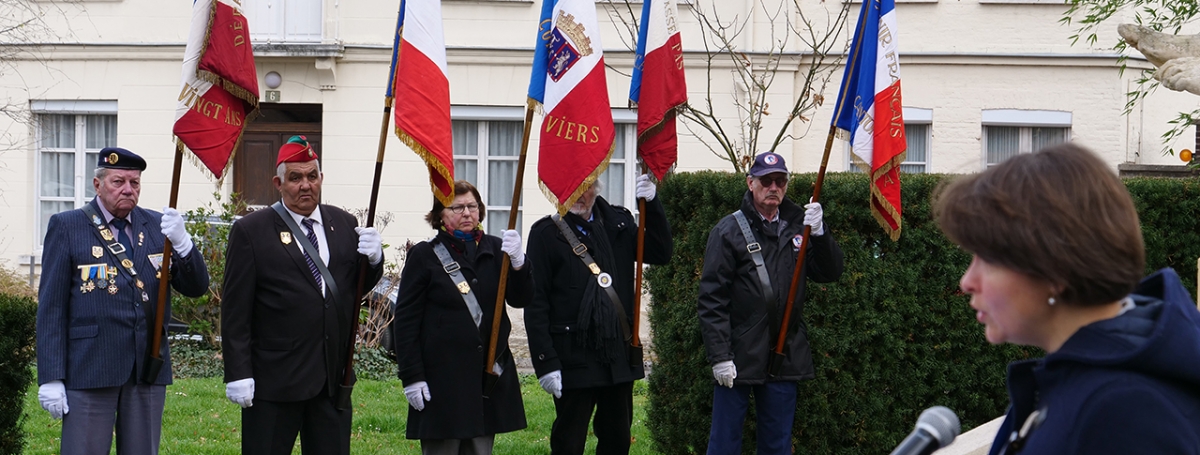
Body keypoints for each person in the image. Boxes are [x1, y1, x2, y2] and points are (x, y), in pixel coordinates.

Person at [933, 143, 1200, 454]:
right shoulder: (1078, 380)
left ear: (1054, 268)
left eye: (988, 259)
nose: (967, 282)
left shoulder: (1123, 413)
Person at [35, 147, 210, 455]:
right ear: (97, 184)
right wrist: (51, 377)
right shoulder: (68, 227)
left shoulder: (157, 227)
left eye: (135, 182)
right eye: (119, 182)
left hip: (147, 366)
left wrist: (184, 244)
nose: (128, 189)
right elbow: (51, 308)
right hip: (89, 367)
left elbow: (196, 288)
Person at [220, 135, 384, 455]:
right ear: (278, 183)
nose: (305, 185)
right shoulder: (252, 231)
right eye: (295, 178)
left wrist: (375, 261)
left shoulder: (343, 223)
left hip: (331, 380)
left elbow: (350, 290)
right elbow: (236, 311)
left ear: (321, 178)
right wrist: (238, 373)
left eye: (312, 176)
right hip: (274, 383)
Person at [696, 151, 844, 455]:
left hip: (784, 352)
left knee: (777, 446)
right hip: (738, 354)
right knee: (724, 444)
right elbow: (712, 299)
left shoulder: (799, 226)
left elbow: (829, 273)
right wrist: (720, 355)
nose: (773, 187)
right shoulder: (728, 230)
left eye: (780, 181)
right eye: (766, 180)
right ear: (751, 183)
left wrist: (820, 233)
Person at [525, 174, 672, 455]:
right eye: (573, 186)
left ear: (597, 188)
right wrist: (545, 363)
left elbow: (661, 252)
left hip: (616, 352)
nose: (581, 193)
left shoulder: (619, 223)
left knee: (617, 439)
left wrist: (652, 205)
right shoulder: (545, 234)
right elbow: (536, 303)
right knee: (569, 442)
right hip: (572, 356)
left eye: (587, 186)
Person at [392, 180, 533, 455]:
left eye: (472, 206)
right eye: (457, 207)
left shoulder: (497, 249)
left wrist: (519, 264)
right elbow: (406, 322)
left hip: (486, 378)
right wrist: (411, 376)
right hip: (442, 381)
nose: (466, 212)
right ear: (440, 215)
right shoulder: (424, 255)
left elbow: (521, 298)